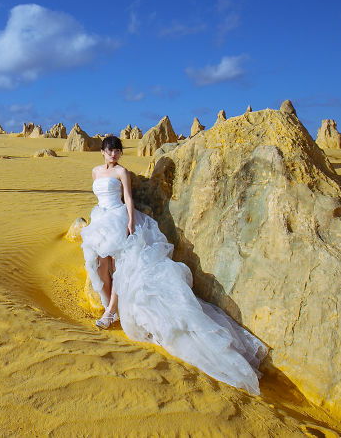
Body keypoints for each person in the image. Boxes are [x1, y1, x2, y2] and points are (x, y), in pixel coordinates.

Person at [80, 135, 267, 394]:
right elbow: (98, 198)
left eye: (118, 151)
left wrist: (131, 222)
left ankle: (111, 311)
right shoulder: (95, 172)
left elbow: (128, 199)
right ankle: (109, 304)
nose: (114, 154)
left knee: (122, 265)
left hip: (118, 217)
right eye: (111, 150)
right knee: (101, 267)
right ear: (102, 151)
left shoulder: (122, 172)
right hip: (101, 219)